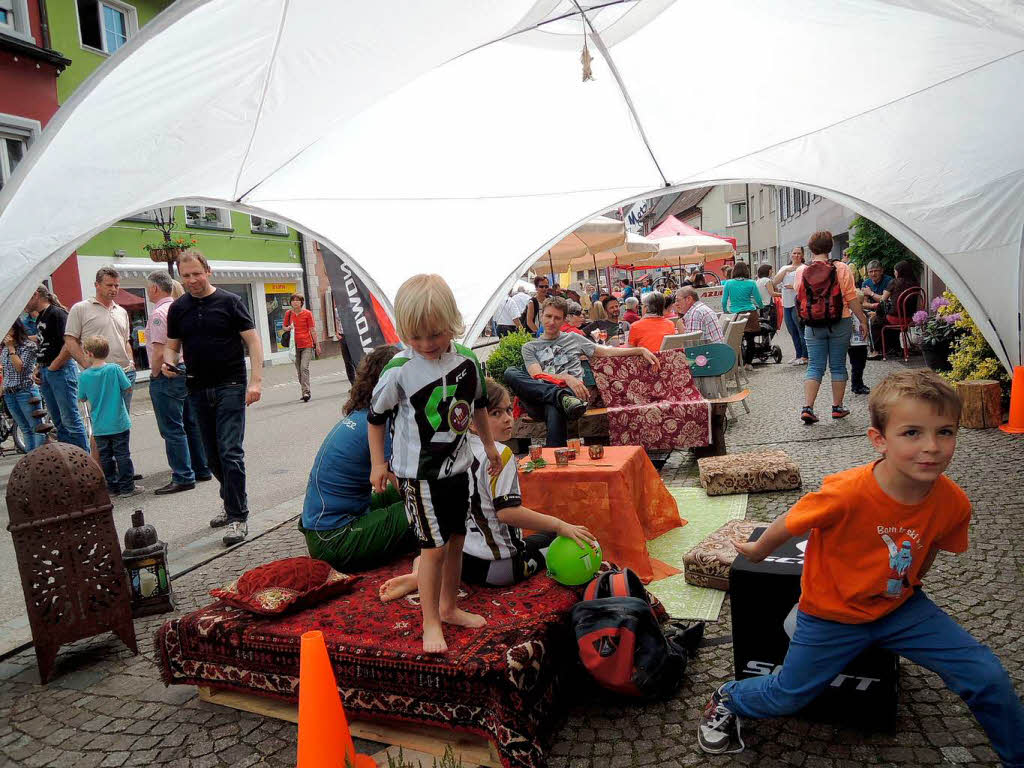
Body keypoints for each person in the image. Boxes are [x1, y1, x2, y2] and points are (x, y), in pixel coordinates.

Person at [697, 371, 1024, 765]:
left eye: (946, 432)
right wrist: (758, 550)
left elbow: (934, 544)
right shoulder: (847, 491)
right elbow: (792, 520)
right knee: (788, 694)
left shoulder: (953, 502)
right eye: (912, 433)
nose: (932, 447)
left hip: (900, 609)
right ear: (879, 440)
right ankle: (727, 698)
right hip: (830, 614)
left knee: (987, 676)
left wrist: (909, 584)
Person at [368, 274, 499, 654]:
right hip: (417, 476)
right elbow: (375, 417)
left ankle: (449, 607)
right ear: (405, 332)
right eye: (417, 337)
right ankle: (430, 622)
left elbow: (477, 406)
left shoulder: (468, 360)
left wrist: (489, 446)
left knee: (458, 540)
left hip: (458, 469)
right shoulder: (398, 370)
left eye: (436, 335)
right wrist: (379, 463)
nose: (427, 345)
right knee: (433, 548)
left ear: (452, 324)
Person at [379, 377, 597, 601]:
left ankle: (420, 574)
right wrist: (560, 525)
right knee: (556, 536)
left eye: (508, 411)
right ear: (473, 421)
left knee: (433, 545)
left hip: (462, 559)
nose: (507, 419)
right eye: (495, 413)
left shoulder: (449, 450)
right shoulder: (499, 454)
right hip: (497, 569)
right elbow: (507, 512)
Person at [163, 251, 264, 547]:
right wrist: (169, 362)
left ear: (208, 271)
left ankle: (237, 516)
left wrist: (256, 382)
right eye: (186, 276)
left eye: (197, 273)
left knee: (230, 450)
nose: (192, 280)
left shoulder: (230, 302)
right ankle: (231, 499)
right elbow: (172, 346)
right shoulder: (178, 308)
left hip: (230, 384)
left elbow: (253, 341)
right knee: (210, 457)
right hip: (196, 387)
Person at [300, 345, 417, 572]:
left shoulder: (363, 414)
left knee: (417, 494)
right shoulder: (381, 425)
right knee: (427, 508)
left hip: (323, 528)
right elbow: (406, 489)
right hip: (334, 538)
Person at [503, 296, 660, 447]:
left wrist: (639, 349)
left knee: (555, 405)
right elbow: (537, 376)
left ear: (564, 319)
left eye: (557, 318)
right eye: (548, 316)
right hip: (540, 398)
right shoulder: (530, 347)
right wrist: (566, 377)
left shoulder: (573, 338)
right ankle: (559, 397)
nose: (552, 322)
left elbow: (606, 352)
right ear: (541, 316)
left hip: (571, 397)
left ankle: (555, 459)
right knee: (511, 372)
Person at [145, 270, 211, 495]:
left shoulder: (159, 314)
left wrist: (154, 375)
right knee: (190, 423)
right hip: (186, 370)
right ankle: (201, 468)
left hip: (168, 372)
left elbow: (158, 351)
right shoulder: (182, 309)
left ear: (155, 288)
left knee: (172, 428)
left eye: (148, 287)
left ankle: (182, 475)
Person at [794, 231, 869, 424]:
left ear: (810, 249)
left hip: (812, 323)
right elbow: (851, 298)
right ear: (830, 247)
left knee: (814, 366)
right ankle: (837, 407)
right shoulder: (842, 268)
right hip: (840, 320)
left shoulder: (802, 270)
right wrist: (862, 319)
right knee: (837, 365)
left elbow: (799, 296)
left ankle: (808, 407)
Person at [24, 285, 88, 451]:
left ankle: (84, 460)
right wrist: (39, 367)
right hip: (48, 371)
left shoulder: (57, 313)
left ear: (35, 294)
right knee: (59, 422)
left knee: (70, 420)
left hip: (61, 371)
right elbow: (45, 344)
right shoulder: (40, 318)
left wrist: (54, 365)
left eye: (25, 297)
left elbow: (70, 342)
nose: (23, 304)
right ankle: (70, 458)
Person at [64, 266, 136, 412]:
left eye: (116, 285)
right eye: (109, 285)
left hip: (124, 372)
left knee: (123, 417)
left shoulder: (121, 311)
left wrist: (131, 361)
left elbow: (126, 340)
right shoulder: (80, 308)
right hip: (99, 373)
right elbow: (70, 340)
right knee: (103, 418)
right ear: (97, 285)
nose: (114, 289)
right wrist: (87, 365)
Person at [77, 336, 141, 497]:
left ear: (90, 354)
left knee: (105, 457)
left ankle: (112, 487)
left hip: (99, 425)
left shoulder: (84, 376)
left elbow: (82, 397)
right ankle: (127, 487)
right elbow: (127, 388)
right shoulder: (114, 369)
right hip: (119, 421)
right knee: (123, 455)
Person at [2, 319, 45, 452]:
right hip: (10, 393)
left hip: (25, 391)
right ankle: (29, 460)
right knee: (25, 429)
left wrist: (11, 348)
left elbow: (20, 367)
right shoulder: (4, 349)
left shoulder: (28, 346)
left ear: (14, 330)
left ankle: (37, 459)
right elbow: (5, 370)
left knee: (36, 428)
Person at [868, 260, 920, 359]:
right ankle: (894, 348)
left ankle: (877, 351)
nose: (894, 273)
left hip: (896, 319)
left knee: (875, 322)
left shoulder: (894, 282)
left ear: (899, 272)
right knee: (886, 319)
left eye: (895, 271)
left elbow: (883, 300)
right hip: (910, 318)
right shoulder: (916, 284)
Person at [721, 262, 764, 369]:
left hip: (735, 314)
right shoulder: (751, 283)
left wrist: (726, 311)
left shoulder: (728, 283)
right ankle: (748, 363)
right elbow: (758, 299)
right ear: (746, 271)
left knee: (736, 340)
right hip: (750, 314)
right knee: (750, 340)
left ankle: (736, 363)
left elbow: (723, 301)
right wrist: (761, 306)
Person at [282, 293, 321, 402]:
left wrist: (317, 345)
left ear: (301, 302)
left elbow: (312, 330)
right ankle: (304, 390)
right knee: (299, 370)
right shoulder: (288, 314)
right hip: (294, 346)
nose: (295, 302)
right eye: (293, 300)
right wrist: (288, 328)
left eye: (297, 300)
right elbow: (284, 327)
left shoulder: (307, 313)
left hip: (307, 344)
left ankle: (306, 392)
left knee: (304, 367)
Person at [773, 246, 808, 364]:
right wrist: (785, 271)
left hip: (798, 303)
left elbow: (807, 285)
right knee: (792, 330)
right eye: (794, 253)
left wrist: (793, 286)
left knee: (800, 329)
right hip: (786, 303)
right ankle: (798, 354)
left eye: (799, 253)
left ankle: (805, 355)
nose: (796, 255)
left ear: (802, 255)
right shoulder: (785, 268)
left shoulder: (804, 268)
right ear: (791, 255)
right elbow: (774, 282)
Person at [848, 290, 870, 395]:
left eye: (861, 303)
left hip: (862, 343)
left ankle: (859, 383)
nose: (860, 306)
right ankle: (856, 385)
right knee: (856, 365)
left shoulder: (863, 315)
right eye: (858, 303)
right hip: (854, 344)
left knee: (862, 364)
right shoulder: (850, 315)